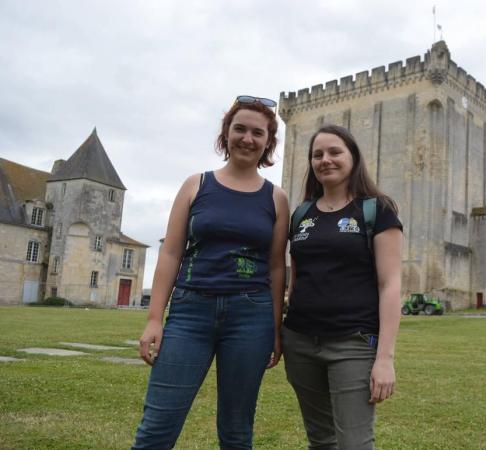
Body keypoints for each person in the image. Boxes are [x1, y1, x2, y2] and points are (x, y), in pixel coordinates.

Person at [132, 95, 289, 450]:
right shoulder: (196, 185)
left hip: (251, 317)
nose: (248, 138)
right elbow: (171, 253)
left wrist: (275, 330)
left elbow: (277, 267)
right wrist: (155, 319)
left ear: (268, 143)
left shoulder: (276, 198)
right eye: (240, 129)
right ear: (226, 134)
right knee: (157, 427)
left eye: (258, 133)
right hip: (190, 312)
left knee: (236, 431)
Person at [283, 124, 403, 449]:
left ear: (353, 157)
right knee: (321, 441)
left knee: (354, 443)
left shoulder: (377, 210)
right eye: (317, 154)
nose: (326, 160)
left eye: (335, 152)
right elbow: (297, 278)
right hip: (300, 343)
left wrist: (385, 358)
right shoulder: (301, 215)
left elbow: (390, 285)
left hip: (353, 344)